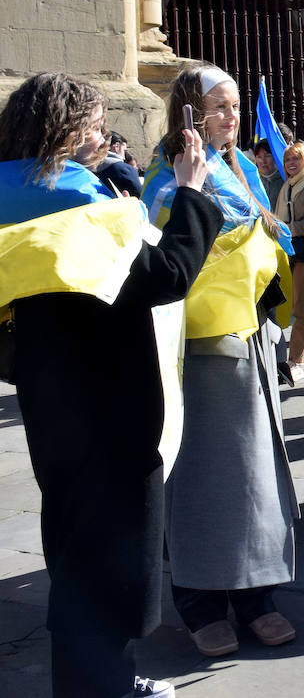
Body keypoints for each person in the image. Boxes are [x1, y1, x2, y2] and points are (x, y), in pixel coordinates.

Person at [1, 73, 220, 698]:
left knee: (73, 545)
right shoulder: (74, 201)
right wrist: (190, 194)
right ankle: (105, 687)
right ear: (66, 131)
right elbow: (166, 273)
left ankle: (101, 678)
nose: (102, 135)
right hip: (110, 400)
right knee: (113, 554)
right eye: (93, 125)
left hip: (51, 394)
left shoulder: (20, 189)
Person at [141, 63, 298, 658]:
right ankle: (200, 598)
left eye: (236, 107)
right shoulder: (172, 171)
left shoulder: (241, 170)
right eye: (221, 107)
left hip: (249, 334)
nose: (232, 118)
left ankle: (255, 592)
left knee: (257, 472)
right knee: (205, 474)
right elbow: (167, 240)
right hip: (199, 345)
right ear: (190, 109)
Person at [274, 141, 304, 372]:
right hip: (290, 250)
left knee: (302, 308)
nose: (291, 163)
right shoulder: (288, 185)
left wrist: (288, 228)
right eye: (288, 159)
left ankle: (297, 360)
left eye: (296, 158)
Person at [96, 130, 143, 197]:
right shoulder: (124, 170)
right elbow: (142, 197)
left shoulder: (86, 168)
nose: (124, 158)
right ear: (116, 146)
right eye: (124, 150)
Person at [252, 139, 285, 206]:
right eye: (259, 157)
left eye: (267, 156)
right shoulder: (254, 183)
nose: (263, 161)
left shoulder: (284, 181)